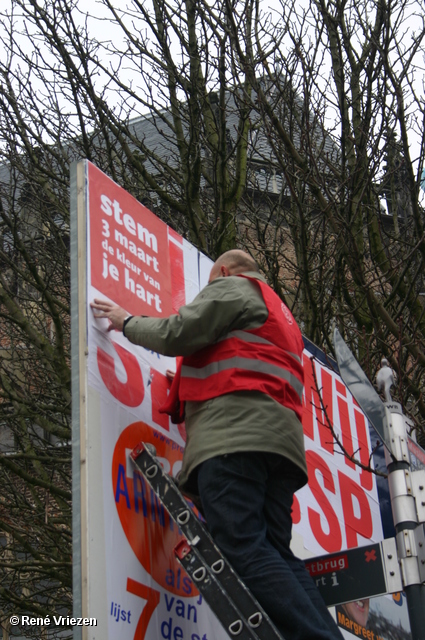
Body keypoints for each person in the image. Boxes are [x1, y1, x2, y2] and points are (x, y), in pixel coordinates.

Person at [91, 249, 343, 640]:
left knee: (241, 544)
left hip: (234, 437)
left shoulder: (233, 288)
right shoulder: (283, 317)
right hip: (280, 449)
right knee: (277, 553)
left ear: (223, 271)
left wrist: (128, 322)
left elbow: (178, 331)